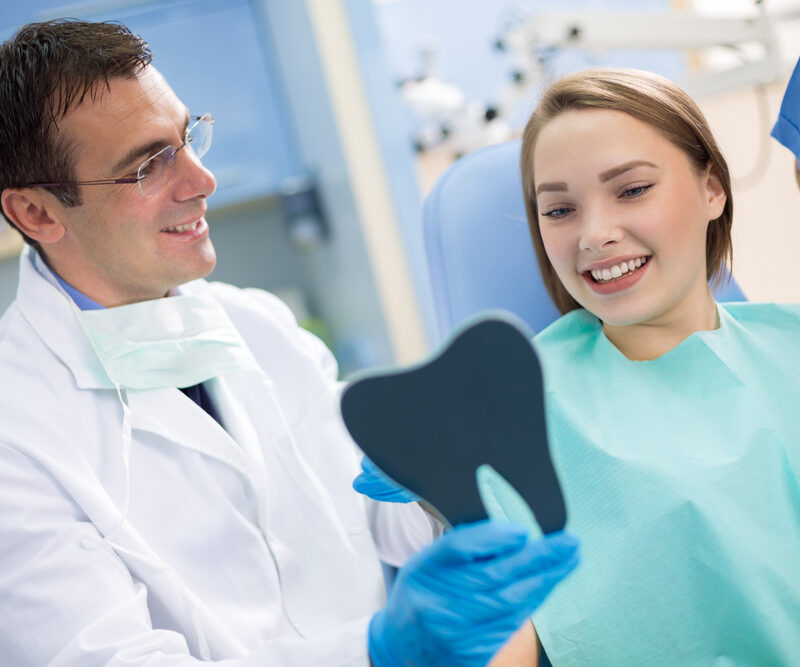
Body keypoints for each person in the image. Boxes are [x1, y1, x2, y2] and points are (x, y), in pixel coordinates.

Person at [0, 19, 579, 667]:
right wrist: (380, 649)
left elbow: (376, 521)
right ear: (38, 213)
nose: (201, 180)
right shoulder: (15, 434)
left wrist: (433, 482)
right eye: (147, 164)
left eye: (187, 137)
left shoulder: (258, 326)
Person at [513, 67, 800, 664]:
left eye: (632, 189)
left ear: (712, 190)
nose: (595, 234)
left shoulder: (790, 344)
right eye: (560, 210)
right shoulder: (514, 403)